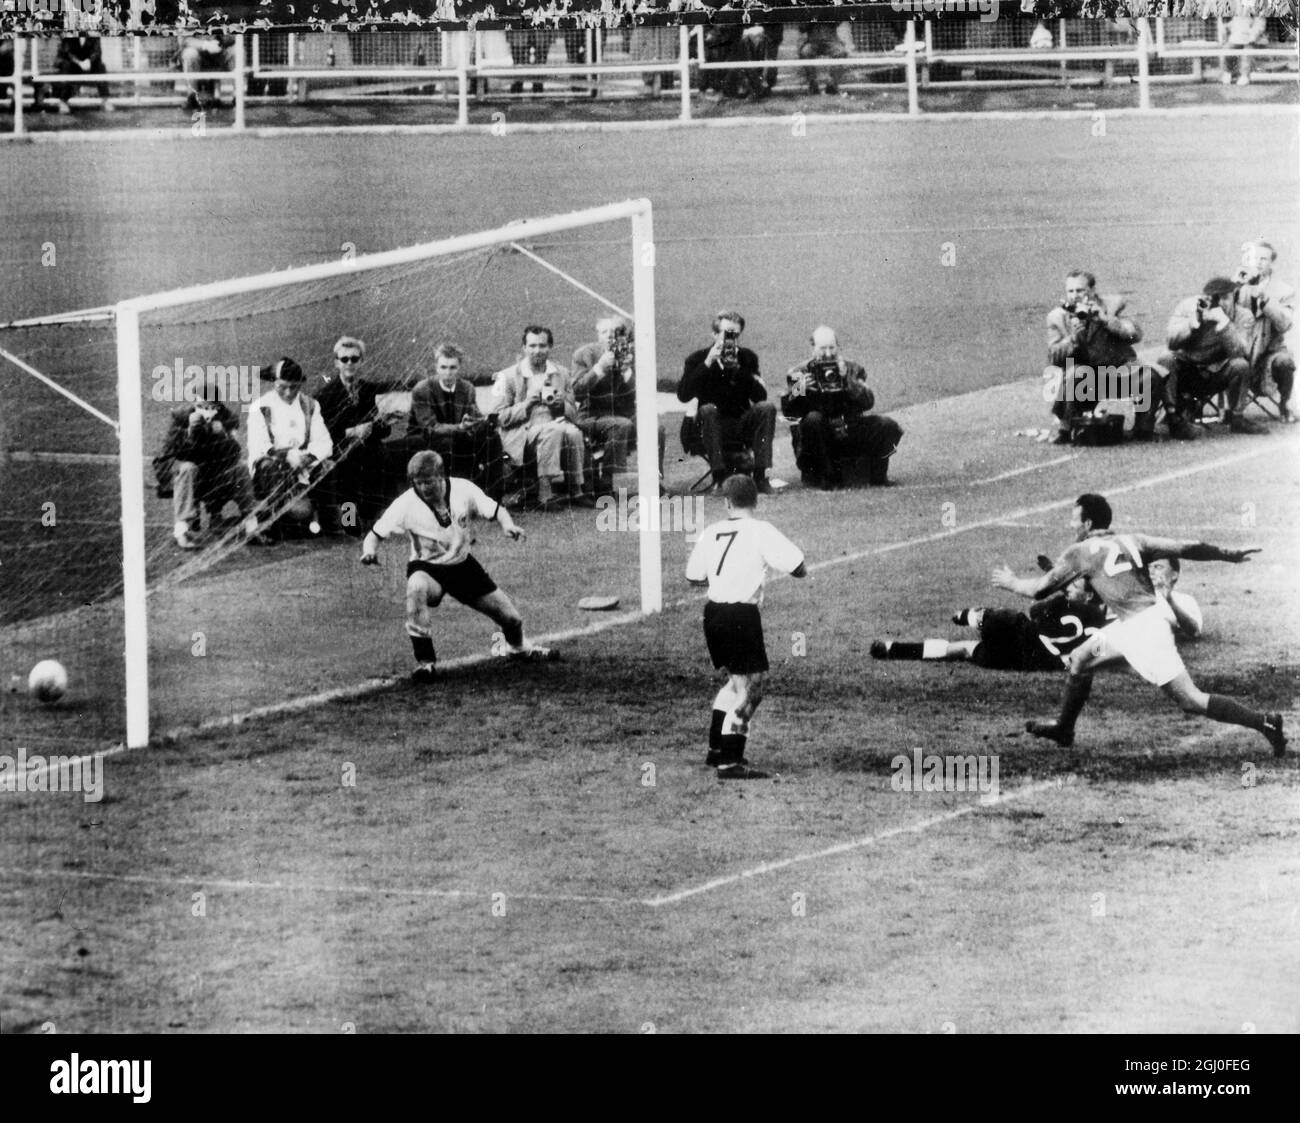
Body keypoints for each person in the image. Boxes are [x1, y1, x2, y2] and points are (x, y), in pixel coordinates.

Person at [991, 492, 1286, 757]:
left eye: (1074, 521)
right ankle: (1063, 729)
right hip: (1136, 624)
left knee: (1190, 700)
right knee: (1080, 658)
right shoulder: (1135, 540)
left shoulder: (1080, 552)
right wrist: (1227, 554)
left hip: (1143, 631)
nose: (1073, 527)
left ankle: (1266, 722)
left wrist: (1011, 582)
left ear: (1088, 522)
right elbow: (1186, 547)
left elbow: (1039, 591)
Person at [360, 451, 554, 683]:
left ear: (441, 476)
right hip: (427, 568)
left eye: (428, 481)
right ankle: (426, 663)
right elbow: (374, 535)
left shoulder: (463, 489)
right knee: (416, 587)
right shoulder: (405, 503)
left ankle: (519, 648)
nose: (423, 487)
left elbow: (496, 510)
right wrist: (369, 551)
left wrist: (508, 525)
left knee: (512, 620)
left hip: (462, 566)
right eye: (418, 482)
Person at [872, 559, 1200, 672]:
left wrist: (1168, 600)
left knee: (995, 629)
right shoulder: (1125, 589)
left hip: (1077, 646)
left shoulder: (1177, 600)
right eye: (1152, 566)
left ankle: (972, 616)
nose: (1154, 573)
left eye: (1161, 569)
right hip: (1067, 640)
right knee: (964, 649)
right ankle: (894, 649)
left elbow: (1191, 627)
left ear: (1174, 577)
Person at [686, 474, 806, 779]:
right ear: (756, 500)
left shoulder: (711, 531)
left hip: (713, 614)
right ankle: (730, 762)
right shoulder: (761, 530)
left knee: (734, 682)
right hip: (742, 615)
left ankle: (716, 751)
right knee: (752, 689)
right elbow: (799, 568)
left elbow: (694, 576)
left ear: (727, 502)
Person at [780, 325, 903, 488]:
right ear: (813, 348)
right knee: (813, 420)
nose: (828, 353)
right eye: (822, 348)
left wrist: (848, 381)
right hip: (817, 436)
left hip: (849, 428)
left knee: (887, 425)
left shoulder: (853, 368)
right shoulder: (799, 373)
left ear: (838, 347)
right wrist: (799, 389)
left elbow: (868, 402)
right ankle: (829, 478)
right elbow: (789, 412)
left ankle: (878, 475)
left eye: (832, 347)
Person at [1044, 270, 1158, 444]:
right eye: (1071, 291)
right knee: (1075, 372)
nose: (1075, 296)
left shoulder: (1112, 306)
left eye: (1080, 290)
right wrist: (1073, 338)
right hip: (1084, 380)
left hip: (1116, 374)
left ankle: (1143, 429)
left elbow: (1135, 334)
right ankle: (1066, 429)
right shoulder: (1057, 317)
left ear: (1092, 290)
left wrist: (1107, 321)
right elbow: (1053, 357)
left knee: (1150, 376)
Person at [491, 325, 592, 510]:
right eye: (532, 346)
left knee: (574, 433)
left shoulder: (561, 373)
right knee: (554, 430)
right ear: (524, 348)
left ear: (550, 347)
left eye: (543, 346)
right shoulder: (507, 376)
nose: (538, 351)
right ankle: (545, 494)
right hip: (522, 432)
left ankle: (576, 490)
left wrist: (562, 405)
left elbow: (574, 413)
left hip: (555, 424)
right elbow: (499, 417)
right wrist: (527, 404)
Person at [677, 310, 778, 494]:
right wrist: (708, 363)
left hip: (739, 421)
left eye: (736, 335)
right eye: (727, 334)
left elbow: (759, 397)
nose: (731, 340)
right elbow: (683, 395)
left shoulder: (747, 358)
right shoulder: (697, 359)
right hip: (708, 424)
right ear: (715, 334)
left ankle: (761, 476)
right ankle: (719, 476)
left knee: (767, 408)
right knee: (708, 410)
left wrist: (740, 371)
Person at [153, 381, 259, 550]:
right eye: (201, 406)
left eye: (211, 407)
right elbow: (164, 460)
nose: (205, 411)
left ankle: (252, 526)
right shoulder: (180, 417)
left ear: (218, 407)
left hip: (212, 477)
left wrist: (222, 435)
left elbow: (234, 454)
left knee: (240, 469)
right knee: (189, 468)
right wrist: (190, 435)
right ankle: (182, 531)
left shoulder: (228, 419)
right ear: (194, 403)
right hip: (186, 479)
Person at [1159, 276, 1267, 438]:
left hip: (1217, 372)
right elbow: (1171, 343)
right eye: (1213, 298)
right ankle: (1173, 417)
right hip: (1188, 370)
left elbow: (1239, 352)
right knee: (1166, 358)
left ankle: (1237, 417)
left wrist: (1223, 323)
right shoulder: (1189, 307)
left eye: (1224, 298)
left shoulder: (1244, 316)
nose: (1219, 303)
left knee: (1240, 365)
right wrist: (1192, 325)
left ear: (1234, 297)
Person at [571, 315, 666, 485]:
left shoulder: (632, 355)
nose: (609, 336)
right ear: (598, 335)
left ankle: (653, 482)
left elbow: (643, 394)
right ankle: (609, 483)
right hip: (592, 416)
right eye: (604, 332)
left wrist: (627, 372)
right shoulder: (584, 355)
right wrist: (599, 368)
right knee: (621, 425)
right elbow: (576, 392)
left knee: (655, 428)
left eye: (614, 332)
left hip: (624, 415)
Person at [246, 358, 334, 539]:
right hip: (272, 469)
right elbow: (259, 445)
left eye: (293, 387)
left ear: (300, 384)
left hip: (303, 467)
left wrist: (307, 458)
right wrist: (287, 456)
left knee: (330, 467)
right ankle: (267, 522)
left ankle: (333, 518)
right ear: (274, 383)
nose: (288, 392)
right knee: (270, 469)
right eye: (282, 386)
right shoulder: (260, 407)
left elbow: (325, 443)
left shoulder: (310, 405)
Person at [407, 343, 506, 499]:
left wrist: (485, 422)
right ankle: (455, 497)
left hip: (457, 436)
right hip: (425, 439)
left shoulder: (467, 388)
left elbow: (474, 415)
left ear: (459, 367)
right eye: (443, 367)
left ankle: (493, 498)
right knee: (448, 443)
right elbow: (430, 427)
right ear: (436, 367)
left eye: (453, 368)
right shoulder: (422, 389)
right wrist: (460, 427)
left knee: (491, 438)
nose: (448, 373)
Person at [314, 336, 391, 535]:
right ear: (336, 362)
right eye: (344, 359)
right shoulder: (325, 395)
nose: (349, 363)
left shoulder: (370, 390)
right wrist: (351, 431)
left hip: (369, 447)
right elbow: (323, 432)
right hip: (342, 449)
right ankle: (349, 522)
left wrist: (376, 425)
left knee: (380, 454)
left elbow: (385, 429)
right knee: (346, 469)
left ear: (361, 361)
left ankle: (371, 517)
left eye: (354, 359)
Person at [1236, 240, 1296, 423]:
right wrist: (1235, 287)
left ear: (1272, 263)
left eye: (1264, 259)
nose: (1259, 263)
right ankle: (1227, 410)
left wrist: (1265, 299)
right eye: (1255, 258)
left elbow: (1285, 324)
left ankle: (1284, 404)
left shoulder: (1284, 290)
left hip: (1267, 355)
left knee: (1285, 361)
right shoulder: (1239, 284)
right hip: (1241, 349)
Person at [50, 32, 114, 115]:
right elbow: (67, 52)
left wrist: (89, 61)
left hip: (88, 66)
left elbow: (97, 51)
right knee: (66, 66)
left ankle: (105, 100)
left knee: (101, 67)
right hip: (73, 65)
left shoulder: (94, 36)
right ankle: (63, 102)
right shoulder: (68, 36)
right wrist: (79, 63)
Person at [179, 23, 237, 112]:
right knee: (190, 54)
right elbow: (185, 39)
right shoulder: (190, 14)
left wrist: (220, 41)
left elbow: (234, 35)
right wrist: (205, 45)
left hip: (220, 52)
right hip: (198, 53)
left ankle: (238, 98)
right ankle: (192, 98)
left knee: (237, 51)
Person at [799, 22, 849, 96]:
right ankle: (813, 84)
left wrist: (826, 13)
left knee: (841, 52)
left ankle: (832, 84)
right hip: (813, 42)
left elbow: (838, 22)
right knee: (805, 52)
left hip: (831, 41)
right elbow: (801, 28)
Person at [1220, 13, 1267, 86]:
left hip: (1254, 40)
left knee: (1247, 52)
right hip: (1238, 38)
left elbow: (1260, 24)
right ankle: (1227, 72)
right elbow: (1235, 23)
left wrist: (1252, 36)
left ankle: (1244, 75)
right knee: (1228, 49)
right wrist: (1227, 27)